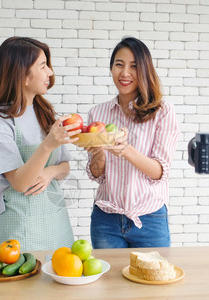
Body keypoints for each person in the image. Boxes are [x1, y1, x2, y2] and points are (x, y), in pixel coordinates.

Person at [0, 37, 81, 250]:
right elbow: (20, 183)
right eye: (43, 66)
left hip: (56, 220)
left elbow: (65, 167)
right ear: (22, 75)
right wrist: (47, 145)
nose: (50, 72)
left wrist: (49, 172)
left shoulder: (44, 112)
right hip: (21, 224)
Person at [85, 37, 180, 248]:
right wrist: (99, 153)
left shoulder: (162, 111)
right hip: (105, 220)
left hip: (150, 219)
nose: (125, 73)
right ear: (111, 68)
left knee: (152, 279)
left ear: (145, 70)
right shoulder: (98, 113)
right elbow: (97, 174)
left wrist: (127, 150)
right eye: (119, 64)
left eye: (134, 66)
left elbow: (159, 172)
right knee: (110, 281)